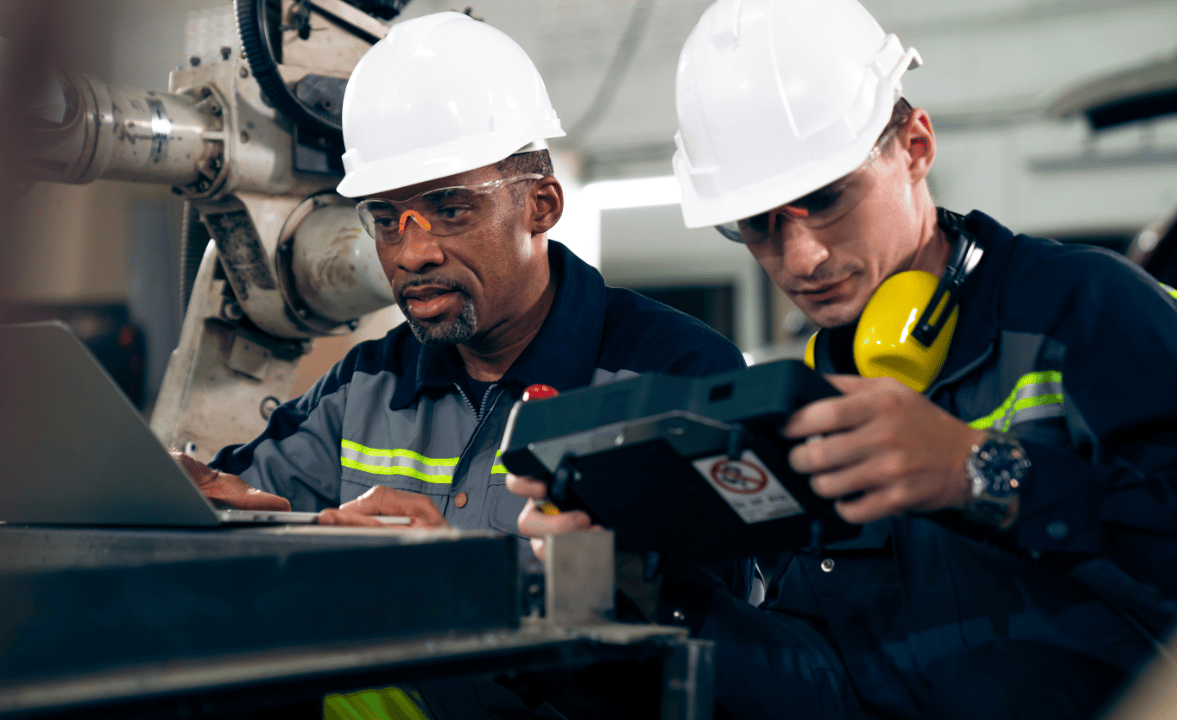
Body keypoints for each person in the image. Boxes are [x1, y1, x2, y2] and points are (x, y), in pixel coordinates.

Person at [510, 1, 1177, 718]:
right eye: (757, 226)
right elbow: (831, 682)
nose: (802, 259)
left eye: (825, 200)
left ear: (915, 146)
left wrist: (978, 471)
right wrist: (647, 599)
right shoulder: (803, 401)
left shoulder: (1084, 308)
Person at [172, 12, 747, 718]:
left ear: (541, 205)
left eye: (448, 209)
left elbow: (718, 650)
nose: (411, 253)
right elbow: (247, 508)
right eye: (387, 219)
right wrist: (186, 505)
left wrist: (473, 583)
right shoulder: (365, 387)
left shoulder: (679, 378)